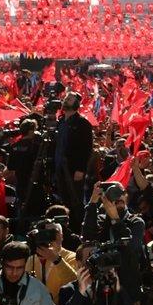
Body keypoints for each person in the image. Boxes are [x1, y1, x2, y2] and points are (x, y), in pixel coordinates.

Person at [53, 92, 93, 226]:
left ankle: (78, 225)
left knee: (75, 199)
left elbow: (86, 149)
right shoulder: (60, 122)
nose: (66, 100)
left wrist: (81, 169)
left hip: (73, 169)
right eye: (65, 98)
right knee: (63, 199)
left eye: (69, 99)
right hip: (59, 167)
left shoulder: (83, 124)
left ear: (76, 103)